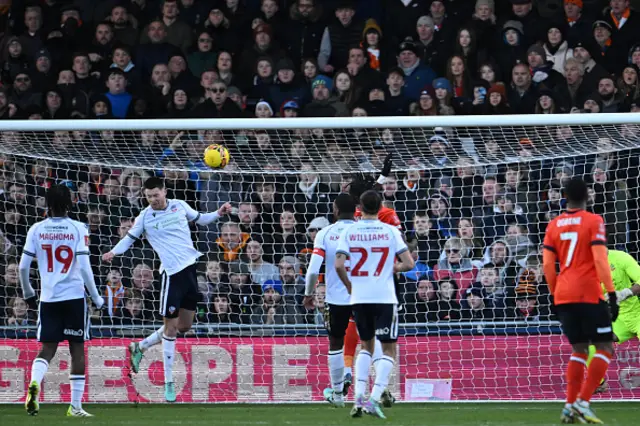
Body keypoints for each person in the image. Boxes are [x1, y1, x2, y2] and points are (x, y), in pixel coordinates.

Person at [102, 177, 232, 402]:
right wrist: (113, 252)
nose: (153, 199)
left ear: (164, 192)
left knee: (184, 326)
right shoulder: (145, 216)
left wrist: (218, 213)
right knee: (170, 330)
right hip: (171, 276)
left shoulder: (179, 205)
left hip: (191, 272)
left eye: (156, 195)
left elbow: (201, 220)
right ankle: (169, 383)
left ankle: (139, 346)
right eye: (149, 196)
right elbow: (129, 239)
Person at [19, 185, 104, 417]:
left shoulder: (36, 229)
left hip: (48, 298)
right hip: (74, 297)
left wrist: (28, 293)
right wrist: (96, 298)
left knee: (47, 349)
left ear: (47, 204)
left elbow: (23, 266)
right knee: (77, 350)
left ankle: (34, 384)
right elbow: (85, 267)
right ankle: (75, 407)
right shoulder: (78, 228)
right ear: (71, 202)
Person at [542, 177, 618, 424]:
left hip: (563, 294)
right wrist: (612, 293)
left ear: (565, 197)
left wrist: (555, 294)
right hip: (587, 292)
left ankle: (569, 406)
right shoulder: (593, 220)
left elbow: (547, 266)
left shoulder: (554, 225)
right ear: (587, 196)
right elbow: (599, 259)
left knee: (579, 350)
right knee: (605, 347)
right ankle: (583, 402)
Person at [335, 190, 414, 419]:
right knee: (388, 349)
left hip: (359, 297)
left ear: (361, 206)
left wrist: (350, 286)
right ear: (381, 208)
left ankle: (358, 398)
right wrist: (393, 268)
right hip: (384, 296)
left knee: (365, 346)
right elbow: (408, 263)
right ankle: (374, 398)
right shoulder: (390, 230)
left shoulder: (349, 230)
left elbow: (339, 265)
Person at [587, 249, 640, 393]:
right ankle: (599, 383)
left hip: (637, 313)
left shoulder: (621, 258)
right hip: (617, 318)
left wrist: (625, 293)